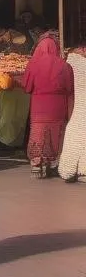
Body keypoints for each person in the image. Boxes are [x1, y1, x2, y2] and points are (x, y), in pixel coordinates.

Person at [22, 34, 74, 179]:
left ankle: (37, 163)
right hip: (58, 107)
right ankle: (52, 163)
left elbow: (26, 87)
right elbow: (70, 89)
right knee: (55, 133)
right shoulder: (65, 65)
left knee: (38, 132)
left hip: (39, 107)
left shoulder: (33, 64)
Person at [57, 50, 86, 183]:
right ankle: (82, 170)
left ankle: (68, 170)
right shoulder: (76, 65)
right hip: (80, 107)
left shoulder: (68, 65)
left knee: (74, 137)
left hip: (77, 108)